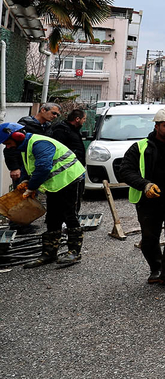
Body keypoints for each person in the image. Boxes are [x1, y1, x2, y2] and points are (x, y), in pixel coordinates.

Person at [116, 107, 165, 287]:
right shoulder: (140, 148)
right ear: (157, 126)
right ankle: (155, 269)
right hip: (149, 201)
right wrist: (145, 185)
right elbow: (125, 171)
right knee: (149, 238)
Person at [0, 122, 86, 267]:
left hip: (68, 180)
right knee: (52, 217)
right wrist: (25, 180)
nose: (8, 147)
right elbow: (29, 166)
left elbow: (43, 168)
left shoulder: (40, 143)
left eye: (8, 143)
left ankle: (74, 252)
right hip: (55, 184)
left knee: (69, 215)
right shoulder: (26, 146)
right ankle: (49, 253)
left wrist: (31, 188)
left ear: (18, 136)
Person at [4, 102, 61, 188]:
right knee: (21, 195)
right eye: (54, 113)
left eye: (57, 115)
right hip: (23, 167)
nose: (55, 116)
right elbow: (10, 147)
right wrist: (14, 167)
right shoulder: (24, 124)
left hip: (37, 167)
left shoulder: (48, 127)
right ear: (43, 110)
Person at [50, 109, 88, 215]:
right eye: (84, 119)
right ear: (77, 119)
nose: (84, 121)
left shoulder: (73, 130)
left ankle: (72, 217)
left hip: (75, 169)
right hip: (66, 171)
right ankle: (68, 220)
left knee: (76, 195)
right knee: (69, 198)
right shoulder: (62, 130)